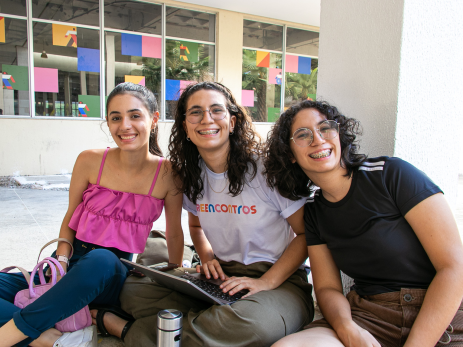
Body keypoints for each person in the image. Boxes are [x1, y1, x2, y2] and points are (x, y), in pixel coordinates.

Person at [0, 82, 184, 347]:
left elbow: (174, 231)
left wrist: (176, 275)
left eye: (135, 115)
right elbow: (71, 217)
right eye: (116, 118)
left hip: (107, 277)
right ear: (108, 122)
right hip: (64, 268)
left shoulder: (168, 174)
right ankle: (42, 336)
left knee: (101, 257)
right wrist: (61, 263)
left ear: (154, 120)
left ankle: (6, 337)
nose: (125, 125)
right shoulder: (89, 160)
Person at [102, 81, 314, 346]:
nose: (206, 119)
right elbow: (196, 227)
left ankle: (131, 331)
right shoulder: (192, 174)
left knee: (254, 326)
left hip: (280, 280)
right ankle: (208, 325)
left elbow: (307, 233)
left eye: (216, 110)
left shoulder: (266, 169)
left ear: (233, 122)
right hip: (222, 277)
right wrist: (207, 257)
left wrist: (266, 283)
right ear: (185, 126)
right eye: (195, 112)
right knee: (133, 291)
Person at [264, 100, 463, 347]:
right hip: (371, 314)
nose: (318, 139)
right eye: (302, 135)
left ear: (339, 135)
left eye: (325, 128)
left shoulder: (391, 174)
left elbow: (455, 268)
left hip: (444, 314)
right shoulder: (315, 213)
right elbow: (327, 288)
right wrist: (347, 329)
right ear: (290, 155)